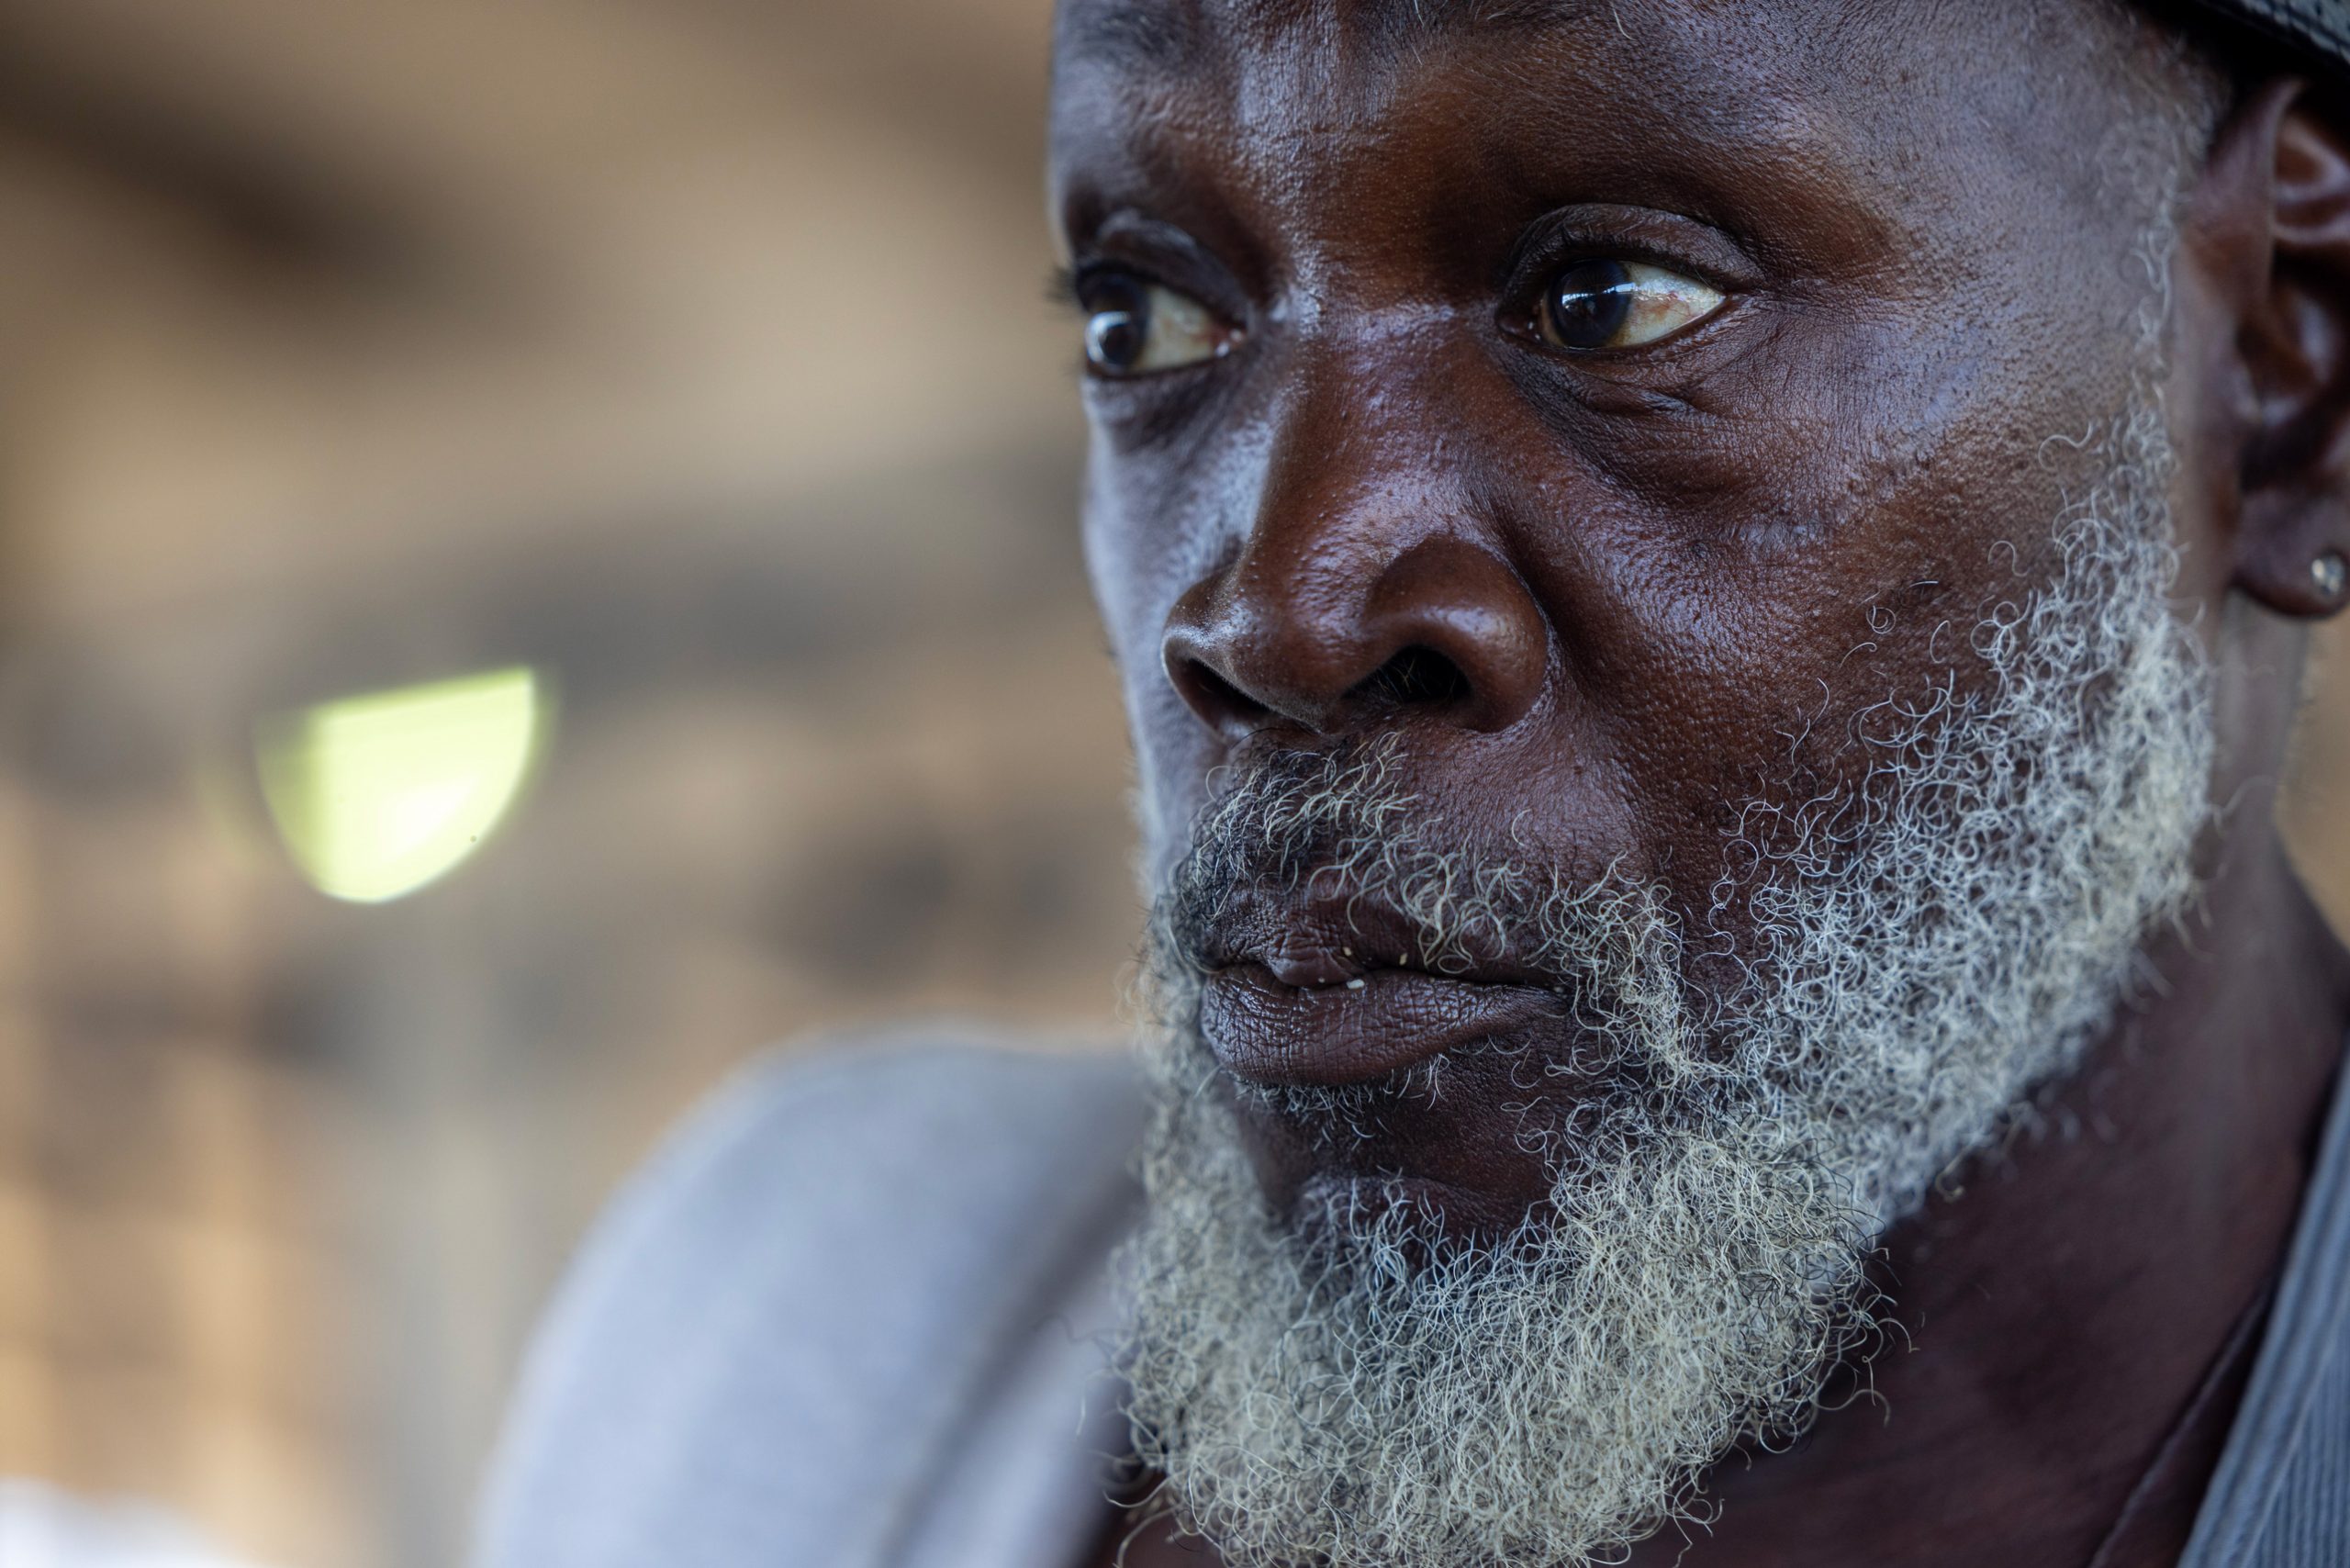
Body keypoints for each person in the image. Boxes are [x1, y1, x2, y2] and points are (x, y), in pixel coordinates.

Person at [473, 1, 2350, 1564]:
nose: (1271, 604)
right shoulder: (789, 1333)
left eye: (1610, 298)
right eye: (1150, 320)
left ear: (2285, 374)